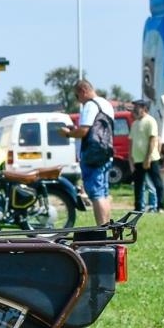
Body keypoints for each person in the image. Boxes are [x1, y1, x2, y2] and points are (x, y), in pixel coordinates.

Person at [61, 79, 115, 225]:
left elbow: (84, 131)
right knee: (103, 193)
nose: (78, 101)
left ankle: (102, 228)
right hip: (106, 152)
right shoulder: (106, 104)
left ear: (83, 91)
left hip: (93, 155)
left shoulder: (90, 106)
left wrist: (68, 133)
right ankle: (107, 227)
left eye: (76, 96)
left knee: (96, 194)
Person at [129, 98, 164, 212]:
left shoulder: (150, 121)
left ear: (144, 108)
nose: (134, 109)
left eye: (137, 107)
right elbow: (131, 141)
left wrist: (148, 158)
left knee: (157, 183)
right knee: (138, 185)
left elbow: (152, 139)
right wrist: (130, 157)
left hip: (151, 159)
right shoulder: (135, 123)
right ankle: (138, 207)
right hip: (138, 159)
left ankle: (160, 206)